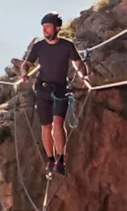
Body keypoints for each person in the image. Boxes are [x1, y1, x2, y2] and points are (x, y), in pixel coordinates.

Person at [20, 12, 90, 175]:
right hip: (42, 89)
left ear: (57, 28)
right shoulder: (39, 47)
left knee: (58, 123)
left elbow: (78, 63)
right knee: (46, 126)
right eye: (44, 27)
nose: (45, 30)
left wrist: (84, 76)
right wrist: (24, 73)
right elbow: (26, 64)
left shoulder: (67, 45)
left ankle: (60, 159)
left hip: (60, 89)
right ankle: (50, 158)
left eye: (48, 27)